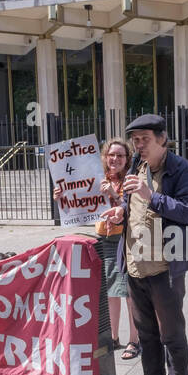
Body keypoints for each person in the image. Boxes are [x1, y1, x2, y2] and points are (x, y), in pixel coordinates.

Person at [101, 114, 188, 375]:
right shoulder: (136, 166)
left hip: (164, 266)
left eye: (145, 139)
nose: (139, 145)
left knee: (171, 331)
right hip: (134, 263)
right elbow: (133, 207)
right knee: (145, 331)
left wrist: (150, 195)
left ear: (162, 139)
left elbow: (187, 211)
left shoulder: (181, 169)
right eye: (136, 140)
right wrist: (120, 211)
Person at [54, 138, 142, 361]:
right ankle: (113, 337)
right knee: (111, 291)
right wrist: (63, 197)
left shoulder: (131, 180)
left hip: (125, 240)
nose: (115, 159)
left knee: (130, 292)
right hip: (103, 239)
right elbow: (79, 202)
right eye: (111, 155)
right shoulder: (96, 179)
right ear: (105, 157)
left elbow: (132, 209)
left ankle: (135, 339)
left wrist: (112, 195)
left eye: (120, 156)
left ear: (127, 159)